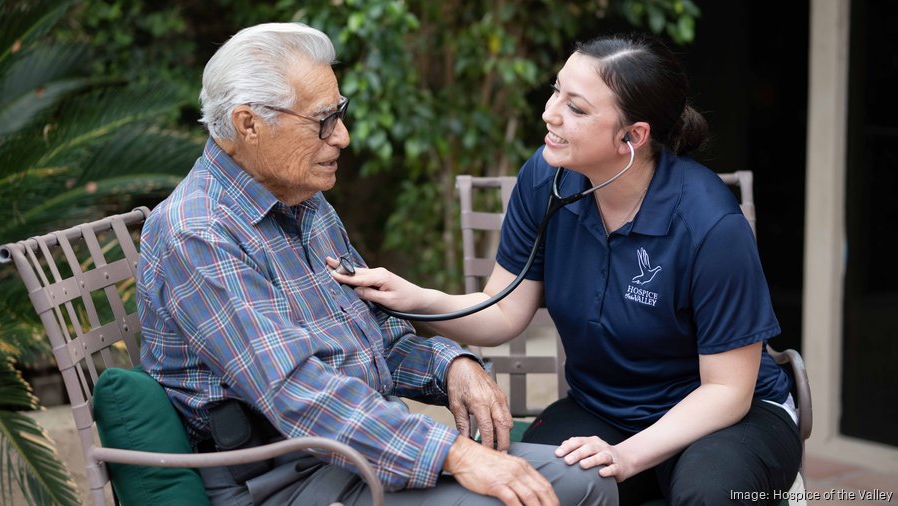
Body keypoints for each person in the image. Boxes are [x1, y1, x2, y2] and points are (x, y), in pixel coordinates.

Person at [136, 22, 617, 506]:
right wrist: (457, 454)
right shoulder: (197, 233)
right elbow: (297, 392)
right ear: (248, 125)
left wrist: (452, 365)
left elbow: (374, 340)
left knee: (590, 479)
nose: (342, 137)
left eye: (339, 114)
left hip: (352, 453)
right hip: (280, 476)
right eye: (322, 120)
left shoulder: (304, 203)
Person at [331, 33, 802, 505]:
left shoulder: (710, 224)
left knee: (708, 496)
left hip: (727, 418)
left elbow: (727, 390)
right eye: (556, 90)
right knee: (523, 490)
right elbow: (502, 312)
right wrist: (415, 298)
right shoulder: (546, 178)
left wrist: (626, 456)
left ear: (632, 136)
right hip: (603, 409)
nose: (549, 113)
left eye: (576, 108)